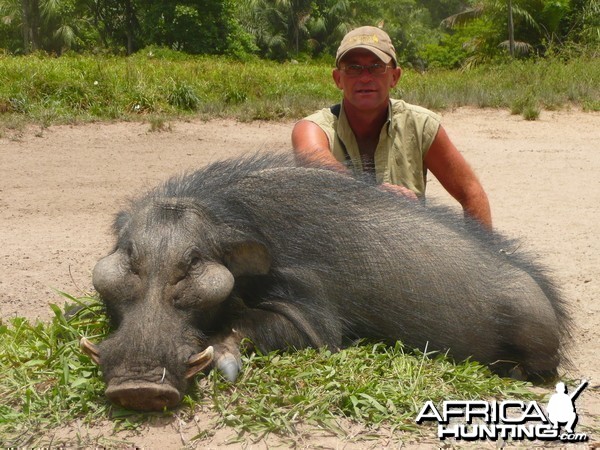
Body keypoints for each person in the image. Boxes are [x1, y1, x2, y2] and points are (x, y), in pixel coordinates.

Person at [291, 26, 493, 230]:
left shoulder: (421, 126)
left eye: (377, 66)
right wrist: (374, 194)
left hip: (407, 253)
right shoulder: (312, 128)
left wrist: (484, 259)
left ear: (394, 77)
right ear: (338, 79)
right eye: (353, 68)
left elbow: (471, 192)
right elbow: (317, 164)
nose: (365, 77)